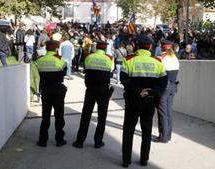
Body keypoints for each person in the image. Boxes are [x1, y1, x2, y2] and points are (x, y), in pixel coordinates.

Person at [121, 35, 167, 168]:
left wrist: (137, 91)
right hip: (149, 101)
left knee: (128, 130)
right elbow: (163, 82)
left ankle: (126, 160)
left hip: (132, 100)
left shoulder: (128, 60)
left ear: (136, 45)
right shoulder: (158, 61)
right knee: (146, 131)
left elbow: (124, 79)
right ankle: (144, 159)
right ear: (151, 47)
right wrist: (150, 92)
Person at [72, 40, 114, 149]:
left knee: (86, 115)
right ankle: (98, 142)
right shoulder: (109, 59)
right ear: (104, 48)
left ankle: (79, 141)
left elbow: (86, 69)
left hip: (90, 89)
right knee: (102, 117)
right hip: (104, 91)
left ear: (96, 48)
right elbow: (111, 70)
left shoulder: (89, 57)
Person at [35, 40, 67, 147]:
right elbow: (64, 72)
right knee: (59, 116)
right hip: (58, 91)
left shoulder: (40, 60)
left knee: (45, 116)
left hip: (46, 91)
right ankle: (59, 140)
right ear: (56, 48)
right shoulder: (60, 59)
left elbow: (37, 72)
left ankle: (43, 140)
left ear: (46, 48)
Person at [155, 40, 180, 143]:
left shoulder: (161, 58)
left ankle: (163, 137)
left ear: (162, 47)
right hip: (173, 86)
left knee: (162, 112)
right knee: (169, 112)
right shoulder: (174, 57)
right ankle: (168, 136)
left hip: (164, 86)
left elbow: (157, 73)